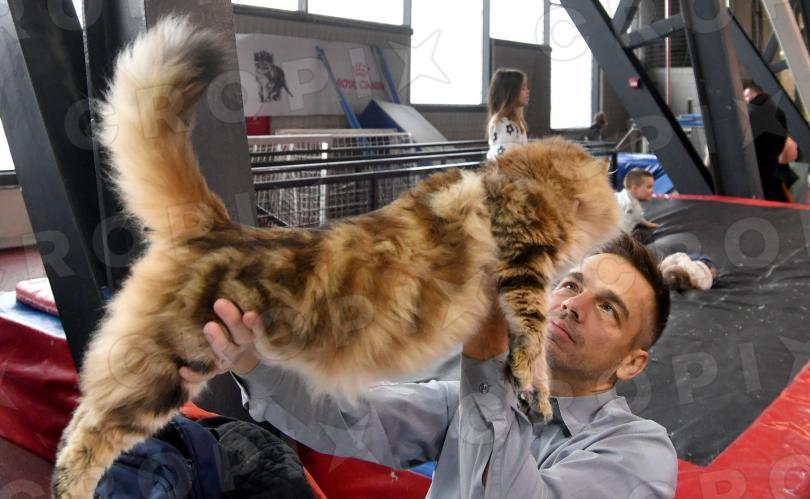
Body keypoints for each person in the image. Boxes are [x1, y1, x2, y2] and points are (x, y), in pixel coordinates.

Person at [180, 234, 678, 498]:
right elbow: (354, 415)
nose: (572, 305)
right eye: (570, 285)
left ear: (632, 362)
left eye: (608, 308)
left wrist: (487, 350)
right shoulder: (469, 399)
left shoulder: (641, 453)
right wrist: (252, 359)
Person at [742, 80, 788, 202]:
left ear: (753, 94)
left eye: (745, 96)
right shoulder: (779, 112)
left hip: (754, 163)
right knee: (768, 196)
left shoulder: (749, 112)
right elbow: (783, 138)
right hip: (771, 161)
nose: (744, 100)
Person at [486, 68, 529, 160]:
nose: (527, 91)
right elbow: (505, 159)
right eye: (523, 88)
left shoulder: (512, 122)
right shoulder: (505, 124)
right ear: (511, 92)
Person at [616, 168, 659, 244]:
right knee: (646, 237)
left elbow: (637, 216)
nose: (652, 190)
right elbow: (621, 232)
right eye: (649, 187)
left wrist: (647, 223)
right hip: (615, 237)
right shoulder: (628, 207)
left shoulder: (628, 197)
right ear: (634, 188)